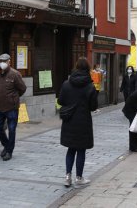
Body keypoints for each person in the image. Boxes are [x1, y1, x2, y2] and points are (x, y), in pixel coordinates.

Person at [58, 57, 98, 187]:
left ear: (76, 67)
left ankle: (67, 176)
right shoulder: (90, 86)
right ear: (88, 69)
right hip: (83, 121)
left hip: (69, 120)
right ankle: (79, 178)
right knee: (81, 150)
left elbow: (60, 101)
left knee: (71, 149)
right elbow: (93, 106)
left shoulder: (66, 83)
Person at [0, 53, 26, 161]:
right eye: (0, 61)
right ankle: (7, 145)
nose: (2, 63)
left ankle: (9, 151)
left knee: (12, 129)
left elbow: (23, 88)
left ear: (9, 62)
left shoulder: (15, 74)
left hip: (11, 107)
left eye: (4, 61)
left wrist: (14, 97)